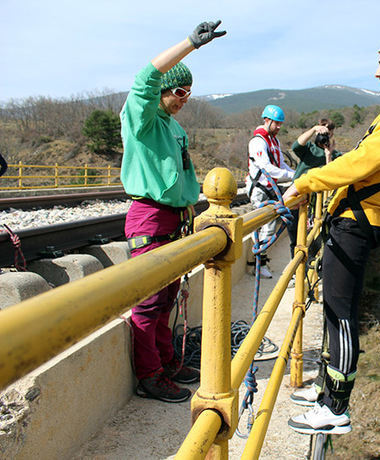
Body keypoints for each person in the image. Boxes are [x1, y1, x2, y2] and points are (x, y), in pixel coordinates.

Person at [284, 29, 380, 434]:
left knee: (342, 315)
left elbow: (362, 162)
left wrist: (305, 183)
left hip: (359, 222)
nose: (376, 73)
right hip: (350, 219)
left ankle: (335, 408)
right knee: (334, 311)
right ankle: (325, 390)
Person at [120, 20, 226, 403]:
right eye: (179, 91)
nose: (184, 98)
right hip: (150, 217)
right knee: (148, 303)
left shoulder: (175, 129)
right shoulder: (143, 121)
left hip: (177, 219)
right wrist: (190, 45)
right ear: (163, 92)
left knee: (167, 298)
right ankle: (149, 376)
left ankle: (166, 361)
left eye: (189, 93)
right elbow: (144, 80)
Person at [245, 104, 295, 279]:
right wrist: (290, 175)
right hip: (260, 189)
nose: (279, 127)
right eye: (276, 123)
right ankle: (258, 264)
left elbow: (280, 164)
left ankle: (260, 262)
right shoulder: (258, 142)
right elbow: (267, 168)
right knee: (261, 226)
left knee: (270, 226)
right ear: (267, 120)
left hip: (270, 188)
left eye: (281, 124)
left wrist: (295, 174)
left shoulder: (274, 141)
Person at [286, 118, 342, 257]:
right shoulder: (309, 148)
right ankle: (296, 272)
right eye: (323, 133)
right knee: (294, 235)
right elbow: (296, 146)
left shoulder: (334, 154)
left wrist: (328, 156)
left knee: (311, 236)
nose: (325, 136)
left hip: (316, 201)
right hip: (297, 196)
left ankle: (306, 269)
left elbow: (331, 175)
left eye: (328, 134)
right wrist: (313, 129)